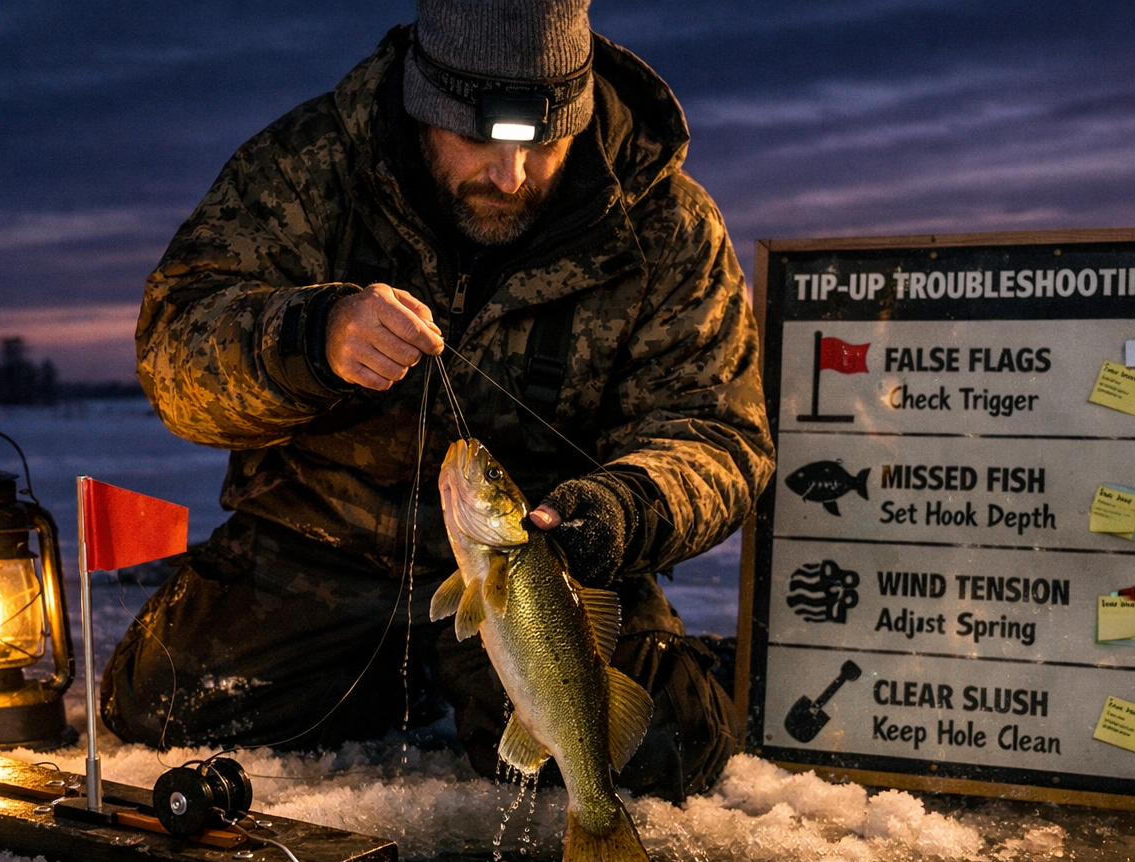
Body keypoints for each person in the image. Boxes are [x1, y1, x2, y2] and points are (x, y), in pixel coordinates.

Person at [101, 0, 774, 802]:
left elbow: (717, 432)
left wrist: (625, 509)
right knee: (162, 712)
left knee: (653, 753)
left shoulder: (665, 221)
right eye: (477, 140)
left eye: (543, 145)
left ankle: (645, 669)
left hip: (540, 573)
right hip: (321, 543)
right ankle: (391, 682)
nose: (510, 176)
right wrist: (309, 340)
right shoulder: (311, 167)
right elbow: (175, 353)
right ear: (424, 107)